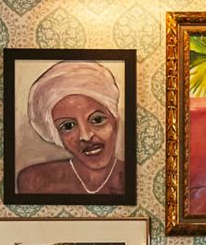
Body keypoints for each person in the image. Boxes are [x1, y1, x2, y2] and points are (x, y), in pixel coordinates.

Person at [15, 59, 128, 198]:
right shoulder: (34, 181)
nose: (85, 136)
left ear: (115, 120)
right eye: (68, 126)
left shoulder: (133, 177)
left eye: (97, 120)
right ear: (55, 134)